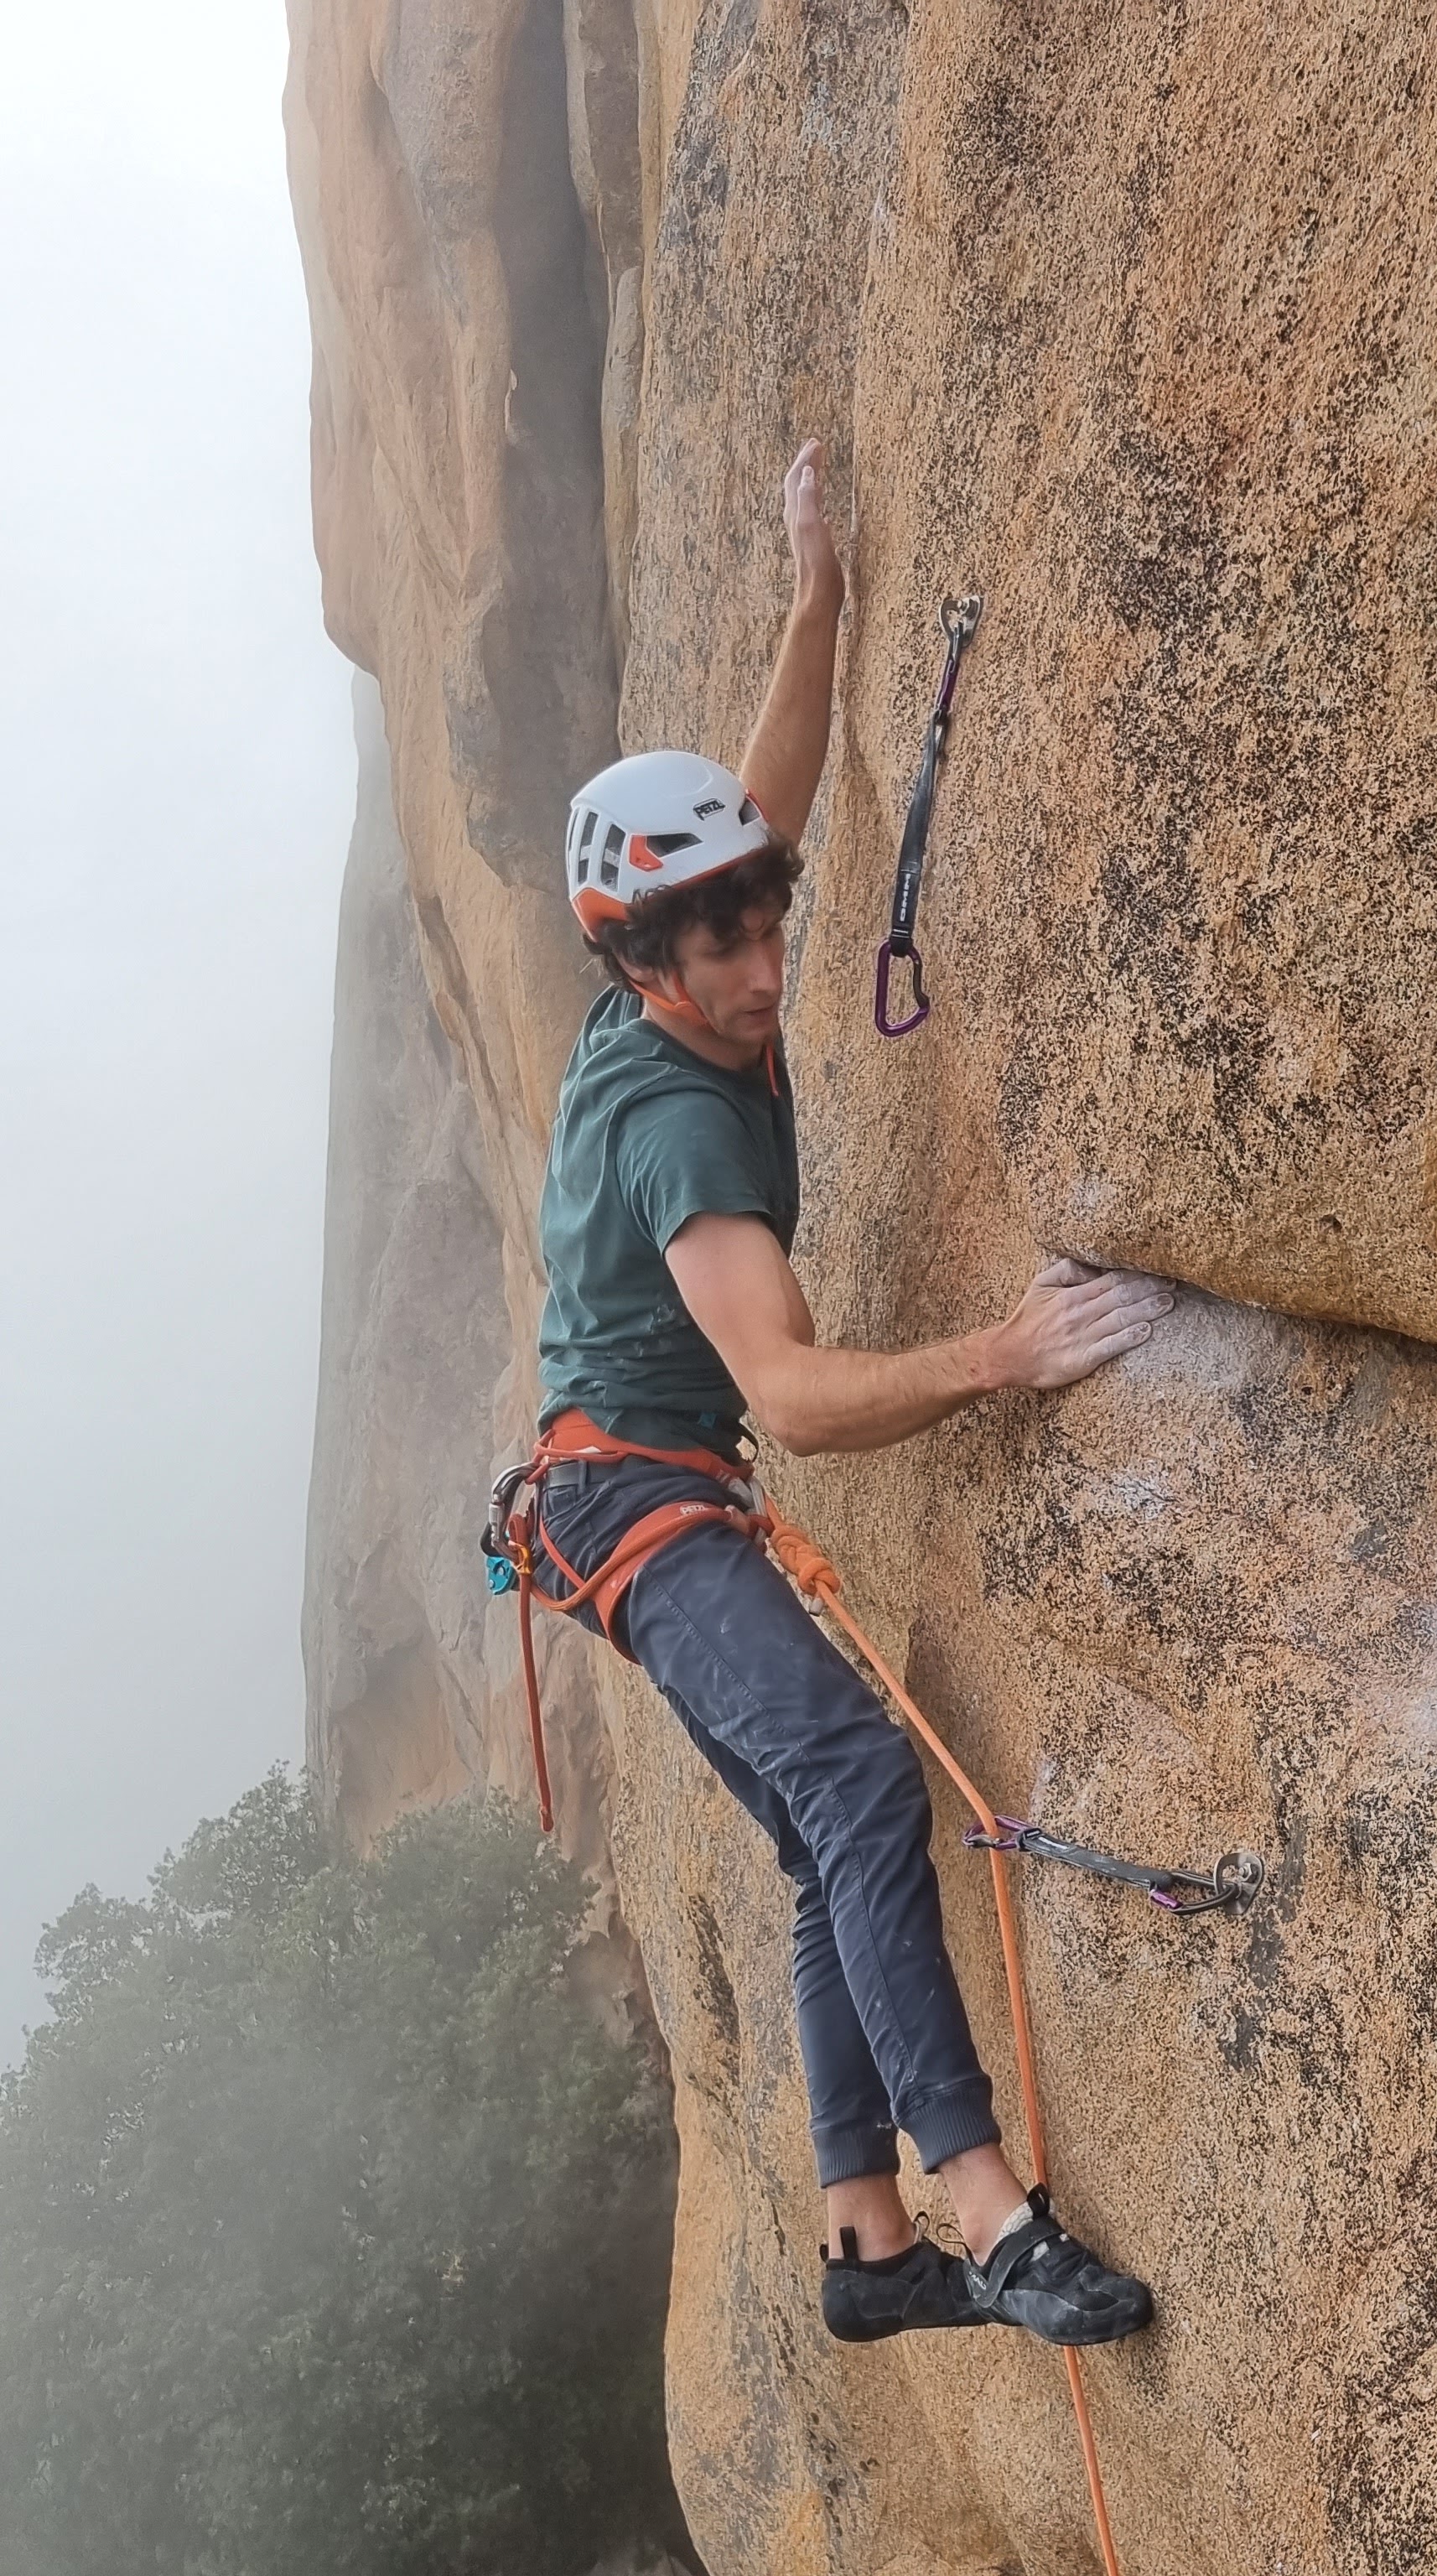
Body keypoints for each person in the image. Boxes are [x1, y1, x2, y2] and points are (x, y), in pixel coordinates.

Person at [531, 439, 1174, 2349]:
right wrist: (1003, 1354)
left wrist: (817, 600)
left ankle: (871, 2253)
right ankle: (995, 2216)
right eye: (717, 944)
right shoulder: (674, 1130)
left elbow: (763, 799)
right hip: (639, 1508)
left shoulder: (666, 960)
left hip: (624, 1495)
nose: (760, 968)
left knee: (830, 1831)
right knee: (859, 1777)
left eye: (763, 919)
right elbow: (793, 1394)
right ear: (642, 960)